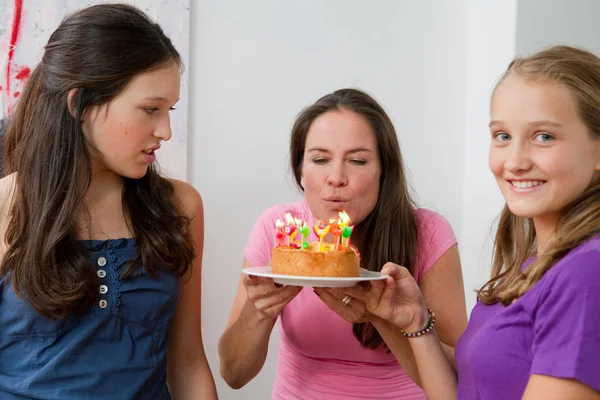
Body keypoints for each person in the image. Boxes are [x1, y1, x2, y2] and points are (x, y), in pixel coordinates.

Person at [345, 45, 600, 400]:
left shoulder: (585, 272)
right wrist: (414, 322)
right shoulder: (534, 266)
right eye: (503, 136)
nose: (515, 161)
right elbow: (469, 389)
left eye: (544, 136)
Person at [0, 4, 217, 399]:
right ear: (79, 104)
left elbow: (186, 362)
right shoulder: (5, 205)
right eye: (150, 109)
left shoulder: (180, 207)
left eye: (169, 110)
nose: (165, 130)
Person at [218, 88, 468, 399]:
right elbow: (233, 374)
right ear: (300, 170)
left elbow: (460, 384)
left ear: (384, 171)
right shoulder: (277, 229)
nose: (336, 178)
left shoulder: (428, 233)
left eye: (358, 161)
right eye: (320, 159)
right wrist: (259, 312)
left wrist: (381, 317)